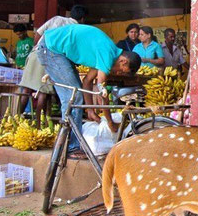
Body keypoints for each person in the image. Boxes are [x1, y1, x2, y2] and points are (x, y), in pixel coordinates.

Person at [36, 24, 141, 159]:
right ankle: (70, 148)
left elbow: (87, 81)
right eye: (121, 70)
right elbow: (102, 93)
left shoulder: (108, 51)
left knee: (75, 93)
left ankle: (69, 144)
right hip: (50, 49)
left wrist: (90, 111)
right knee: (72, 97)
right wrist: (110, 122)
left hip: (54, 47)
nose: (117, 72)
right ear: (123, 61)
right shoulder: (107, 54)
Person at [18, 5, 88, 127]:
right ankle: (39, 124)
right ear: (82, 19)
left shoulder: (57, 19)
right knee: (43, 91)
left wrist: (37, 48)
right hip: (51, 57)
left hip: (35, 54)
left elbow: (38, 34)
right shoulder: (77, 28)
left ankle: (17, 119)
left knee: (26, 88)